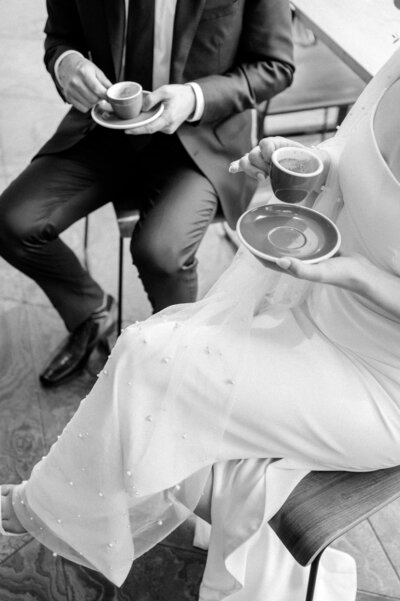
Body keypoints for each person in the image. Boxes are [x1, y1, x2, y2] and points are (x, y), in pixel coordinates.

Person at [2, 37, 400, 601]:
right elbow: (351, 153)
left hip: (383, 378)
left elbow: (273, 62)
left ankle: (36, 509)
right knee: (152, 354)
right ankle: (48, 506)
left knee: (147, 356)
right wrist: (310, 160)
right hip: (318, 306)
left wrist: (358, 275)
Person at [0, 0, 294, 387]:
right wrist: (65, 62)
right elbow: (60, 38)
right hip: (106, 128)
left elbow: (275, 65)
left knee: (162, 252)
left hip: (201, 136)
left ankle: (178, 361)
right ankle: (91, 313)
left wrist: (193, 97)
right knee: (13, 222)